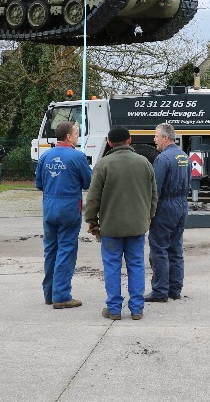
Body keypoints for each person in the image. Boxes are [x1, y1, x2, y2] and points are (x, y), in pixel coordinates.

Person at [83, 126, 157, 321]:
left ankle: (114, 309)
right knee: (136, 265)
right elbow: (153, 195)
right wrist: (149, 216)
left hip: (110, 226)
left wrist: (91, 220)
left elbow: (92, 198)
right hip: (137, 225)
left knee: (112, 266)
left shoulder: (103, 164)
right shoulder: (144, 163)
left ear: (109, 142)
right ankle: (137, 309)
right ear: (130, 140)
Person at [35, 121, 91, 309]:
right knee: (66, 249)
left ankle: (49, 293)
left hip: (49, 206)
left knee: (50, 249)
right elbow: (87, 182)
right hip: (69, 207)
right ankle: (61, 295)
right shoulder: (78, 157)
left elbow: (39, 184)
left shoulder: (45, 156)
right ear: (68, 136)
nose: (77, 136)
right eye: (76, 133)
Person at [146, 123, 190, 303]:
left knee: (159, 248)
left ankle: (159, 291)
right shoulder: (184, 156)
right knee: (175, 248)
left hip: (166, 205)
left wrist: (150, 213)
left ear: (165, 138)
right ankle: (175, 289)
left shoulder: (163, 159)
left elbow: (155, 188)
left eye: (156, 136)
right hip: (181, 205)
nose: (154, 140)